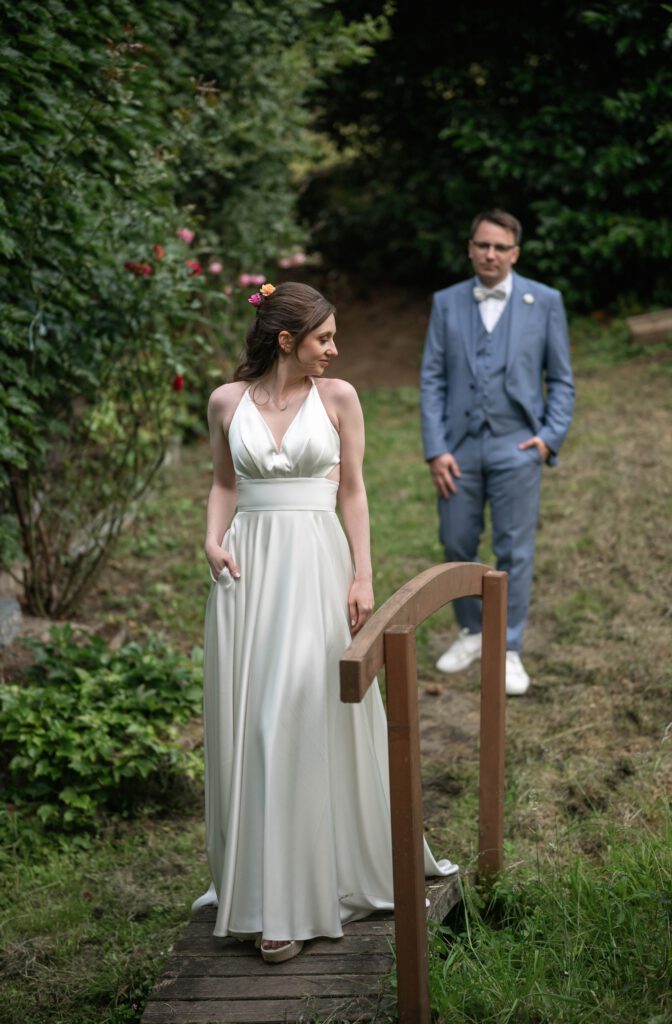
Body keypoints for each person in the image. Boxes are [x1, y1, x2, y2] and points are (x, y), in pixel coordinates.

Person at [194, 281, 456, 964]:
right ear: (286, 340)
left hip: (316, 568)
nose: (335, 350)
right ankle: (258, 887)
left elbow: (354, 491)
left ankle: (297, 899)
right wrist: (211, 539)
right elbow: (224, 483)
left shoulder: (338, 399)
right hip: (247, 576)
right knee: (252, 721)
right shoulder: (226, 401)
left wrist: (362, 574)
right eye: (323, 339)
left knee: (299, 713)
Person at [420, 209, 575, 695]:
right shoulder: (446, 303)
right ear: (470, 248)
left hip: (517, 446)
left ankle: (506, 647)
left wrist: (548, 437)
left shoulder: (544, 301)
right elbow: (432, 378)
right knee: (456, 543)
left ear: (515, 253)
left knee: (513, 550)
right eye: (482, 245)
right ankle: (470, 631)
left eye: (500, 247)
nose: (490, 254)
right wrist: (435, 448)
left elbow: (562, 380)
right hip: (459, 449)